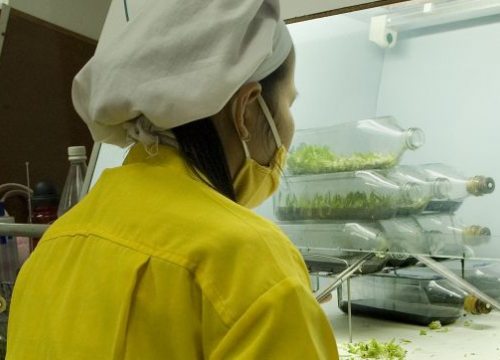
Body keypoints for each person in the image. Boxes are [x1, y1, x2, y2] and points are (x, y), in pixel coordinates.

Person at [7, 0, 339, 358]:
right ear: (246, 108)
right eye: (289, 103)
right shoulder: (249, 260)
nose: (290, 127)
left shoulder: (55, 244)